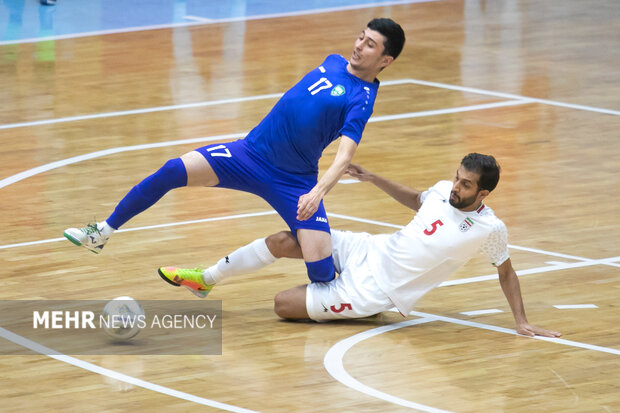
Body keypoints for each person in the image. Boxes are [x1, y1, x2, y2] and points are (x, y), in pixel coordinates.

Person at [64, 18, 406, 285]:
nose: (359, 45)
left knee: (320, 269)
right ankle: (102, 233)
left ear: (386, 60)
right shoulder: (332, 61)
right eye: (361, 37)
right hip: (248, 155)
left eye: (370, 44)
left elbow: (344, 157)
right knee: (171, 170)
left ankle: (350, 294)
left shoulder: (362, 99)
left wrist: (316, 193)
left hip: (294, 181)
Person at [159, 153, 561, 337]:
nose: (456, 187)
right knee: (285, 241)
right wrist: (373, 177)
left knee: (282, 305)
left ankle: (353, 308)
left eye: (466, 184)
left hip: (374, 289)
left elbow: (506, 272)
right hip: (369, 248)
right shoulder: (441, 191)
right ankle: (207, 278)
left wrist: (521, 321)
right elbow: (415, 199)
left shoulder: (490, 228)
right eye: (457, 178)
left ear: (484, 192)